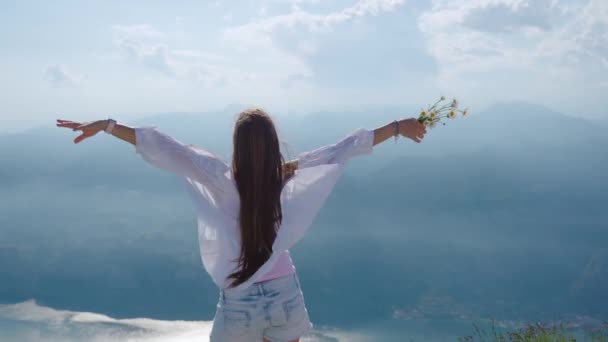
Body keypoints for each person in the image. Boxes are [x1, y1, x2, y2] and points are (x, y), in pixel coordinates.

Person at [56, 108, 426, 342]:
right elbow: (343, 148)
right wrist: (397, 127)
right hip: (285, 295)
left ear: (237, 145)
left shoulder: (219, 178)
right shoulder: (287, 175)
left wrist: (108, 125)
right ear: (273, 144)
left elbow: (168, 148)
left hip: (239, 304)